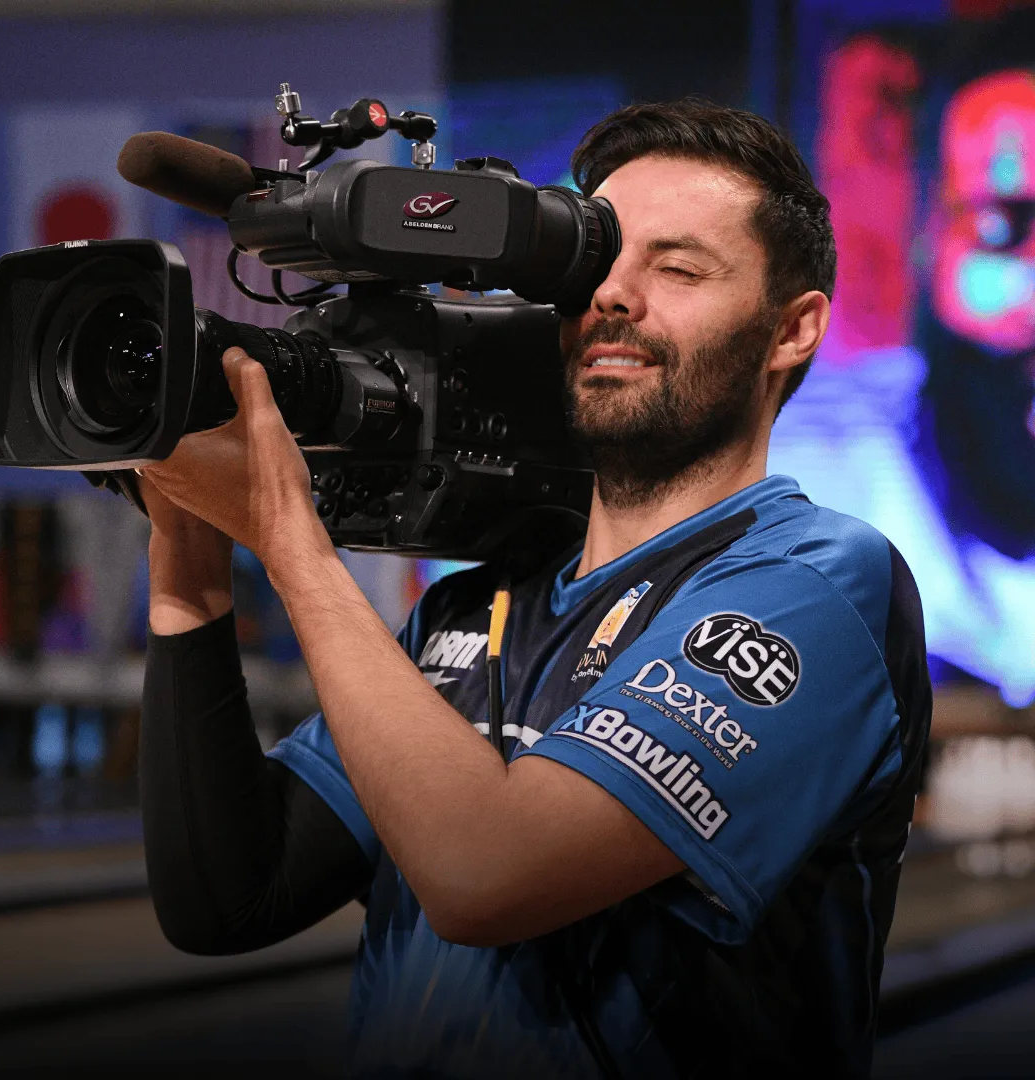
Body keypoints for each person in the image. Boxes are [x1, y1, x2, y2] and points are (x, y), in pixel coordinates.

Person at [134, 100, 931, 1078]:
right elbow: (229, 891)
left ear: (791, 330)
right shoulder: (471, 611)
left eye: (678, 270)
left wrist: (287, 537)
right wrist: (185, 530)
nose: (614, 298)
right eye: (592, 266)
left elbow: (486, 875)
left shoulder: (818, 581)